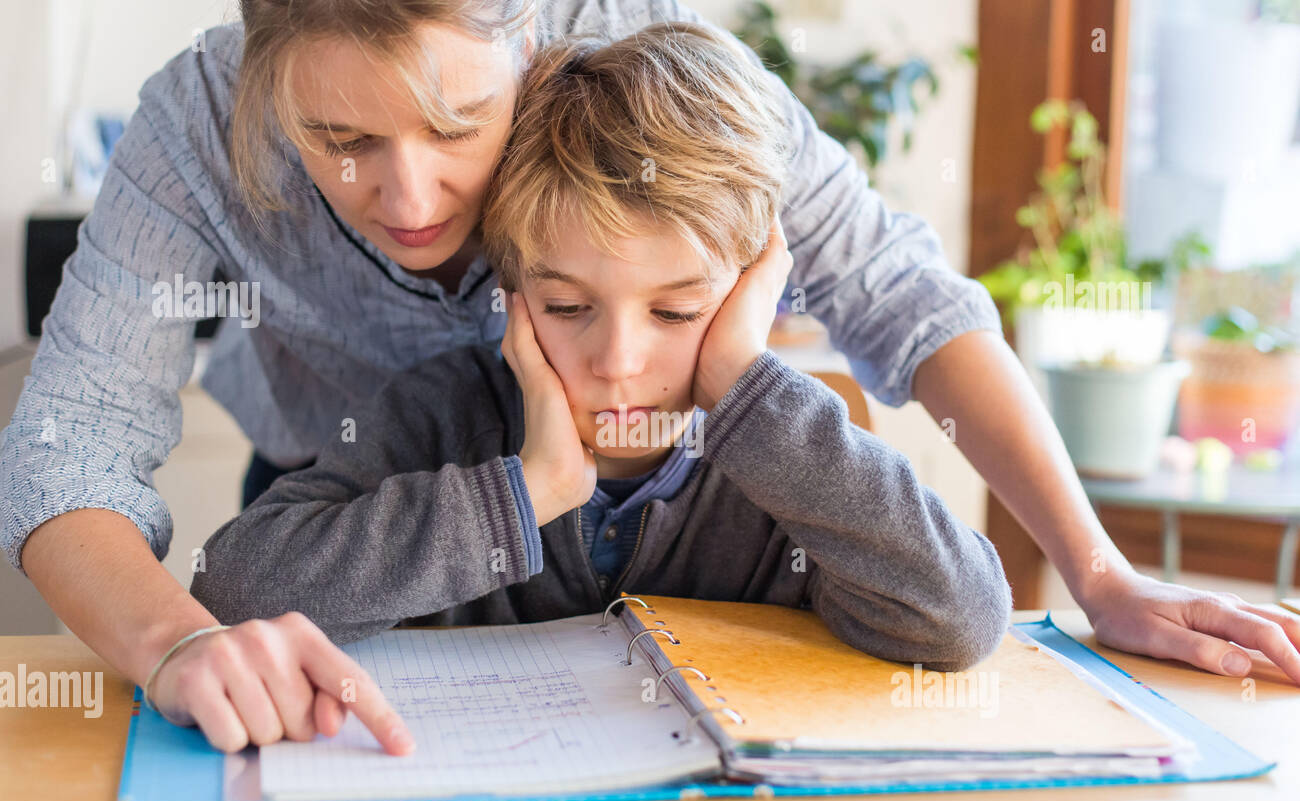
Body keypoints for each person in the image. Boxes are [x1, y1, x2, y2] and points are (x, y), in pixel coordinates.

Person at [5, 1, 1297, 757]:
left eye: (459, 130)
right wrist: (183, 644)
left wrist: (1097, 567)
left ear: (532, 50)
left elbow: (904, 301)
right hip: (363, 484)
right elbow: (70, 445)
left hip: (689, 505)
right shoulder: (192, 131)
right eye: (341, 142)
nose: (409, 197)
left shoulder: (640, 85)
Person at [188, 21, 1013, 679]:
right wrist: (528, 491)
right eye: (568, 305)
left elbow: (960, 618)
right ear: (508, 292)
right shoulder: (442, 418)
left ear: (750, 290)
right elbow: (229, 591)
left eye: (679, 310)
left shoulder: (783, 463)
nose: (617, 361)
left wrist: (744, 390)